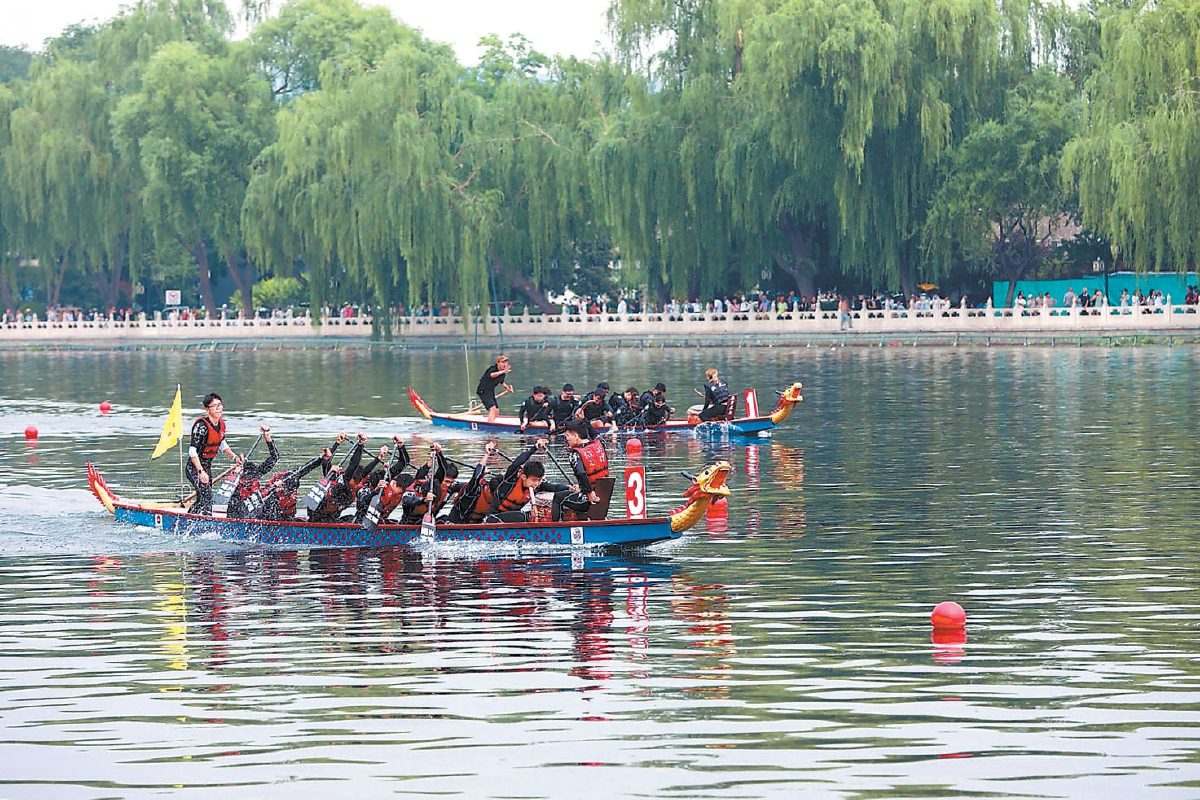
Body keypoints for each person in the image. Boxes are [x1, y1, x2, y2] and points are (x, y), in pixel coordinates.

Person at [186, 392, 242, 515]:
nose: (218, 408)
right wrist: (200, 471)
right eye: (214, 406)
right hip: (195, 467)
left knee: (204, 498)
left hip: (207, 466)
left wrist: (234, 457)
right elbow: (192, 451)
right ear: (207, 409)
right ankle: (204, 522)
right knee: (206, 495)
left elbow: (222, 444)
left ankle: (191, 517)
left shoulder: (221, 424)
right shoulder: (201, 427)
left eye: (220, 405)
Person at [483, 438, 561, 523]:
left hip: (511, 519)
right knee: (522, 516)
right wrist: (534, 448)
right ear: (524, 477)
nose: (536, 483)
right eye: (534, 480)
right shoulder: (510, 481)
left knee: (544, 514)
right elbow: (516, 463)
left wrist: (570, 488)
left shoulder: (537, 486)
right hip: (493, 518)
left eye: (539, 480)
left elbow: (555, 487)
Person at [550, 420, 610, 521]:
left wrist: (589, 492)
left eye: (568, 436)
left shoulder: (575, 454)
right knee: (573, 493)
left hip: (588, 500)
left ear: (576, 436)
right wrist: (584, 420)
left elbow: (581, 473)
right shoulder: (600, 444)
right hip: (604, 496)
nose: (567, 439)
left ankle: (556, 529)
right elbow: (595, 434)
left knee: (558, 498)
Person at [226, 426, 280, 519]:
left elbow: (274, 457)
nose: (250, 483)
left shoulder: (257, 473)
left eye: (253, 480)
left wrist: (267, 438)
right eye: (247, 481)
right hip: (239, 518)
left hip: (257, 515)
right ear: (241, 479)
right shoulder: (234, 488)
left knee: (273, 499)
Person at [476, 354, 512, 424]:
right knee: (492, 409)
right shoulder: (492, 369)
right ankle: (490, 425)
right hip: (483, 390)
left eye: (506, 362)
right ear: (498, 363)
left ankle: (490, 421)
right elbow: (492, 375)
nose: (504, 364)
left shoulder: (503, 373)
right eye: (502, 362)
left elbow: (501, 382)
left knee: (496, 411)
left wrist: (507, 388)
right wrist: (502, 372)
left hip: (490, 391)